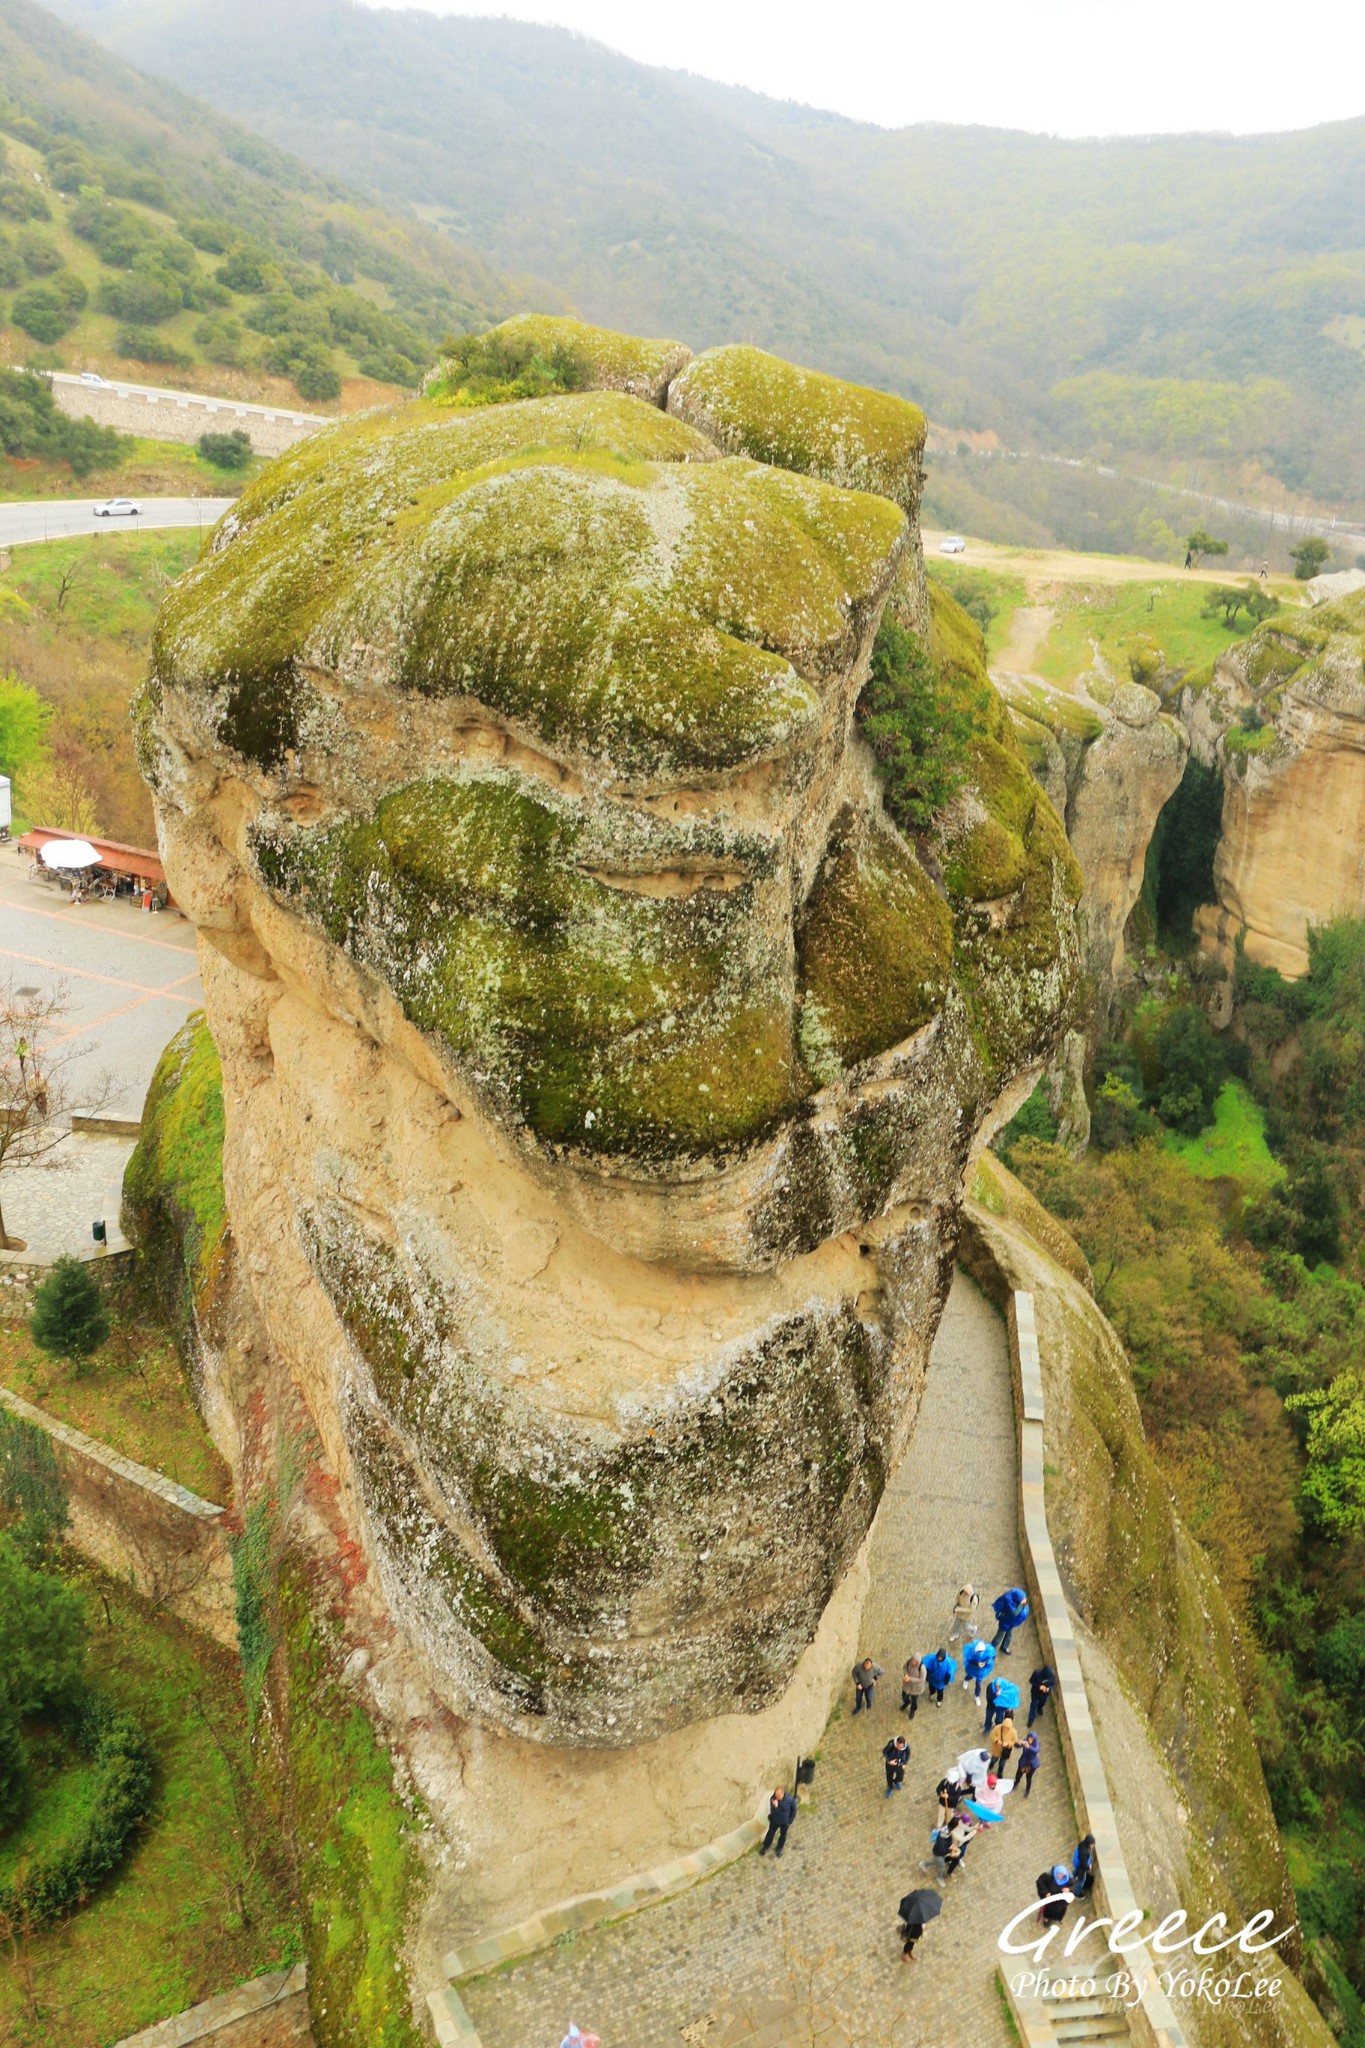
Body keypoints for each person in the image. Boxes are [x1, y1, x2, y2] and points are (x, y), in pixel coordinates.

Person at [759, 1785, 797, 1858]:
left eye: (778, 1795)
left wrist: (790, 1821)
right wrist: (775, 1806)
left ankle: (779, 1848)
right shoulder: (773, 1799)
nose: (776, 1796)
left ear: (783, 1794)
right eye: (776, 1794)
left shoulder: (790, 1799)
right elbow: (774, 1812)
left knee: (783, 1835)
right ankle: (765, 1847)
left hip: (785, 1822)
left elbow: (794, 1810)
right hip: (775, 1820)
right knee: (770, 1834)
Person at [991, 1586, 1030, 1655]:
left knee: (1009, 1635)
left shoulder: (1014, 1598)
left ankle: (1004, 1646)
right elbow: (1015, 1613)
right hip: (1005, 1622)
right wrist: (1021, 1605)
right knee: (999, 1637)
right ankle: (990, 1650)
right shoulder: (1009, 1602)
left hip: (1011, 1622)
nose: (1024, 1600)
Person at [1014, 1729, 1041, 1797]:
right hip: (1023, 1762)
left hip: (1031, 1764)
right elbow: (1018, 1746)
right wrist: (1017, 1743)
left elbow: (1036, 1750)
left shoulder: (1036, 1745)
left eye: (1031, 1738)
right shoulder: (1025, 1741)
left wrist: (1029, 1747)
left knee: (1028, 1777)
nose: (1029, 1739)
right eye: (1029, 1737)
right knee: (1018, 1774)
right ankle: (1016, 1783)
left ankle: (1027, 1789)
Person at [901, 1652, 927, 1718]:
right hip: (907, 1685)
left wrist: (910, 1679)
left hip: (916, 1688)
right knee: (904, 1696)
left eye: (915, 1662)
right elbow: (904, 1667)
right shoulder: (908, 1662)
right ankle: (907, 1702)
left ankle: (912, 1711)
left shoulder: (922, 1668)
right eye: (912, 1660)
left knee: (914, 1701)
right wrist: (906, 1674)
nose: (913, 1662)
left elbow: (922, 1680)